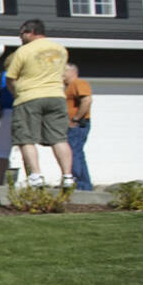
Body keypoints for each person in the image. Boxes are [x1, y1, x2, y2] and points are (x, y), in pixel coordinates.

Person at [3, 19, 74, 189]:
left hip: (29, 97)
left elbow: (10, 78)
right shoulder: (61, 50)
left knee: (26, 138)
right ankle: (67, 176)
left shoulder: (23, 51)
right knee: (59, 138)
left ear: (30, 32)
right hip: (56, 96)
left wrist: (16, 93)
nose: (20, 37)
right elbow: (65, 75)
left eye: (21, 34)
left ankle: (36, 176)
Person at [63, 63, 93, 191]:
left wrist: (76, 119)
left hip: (77, 125)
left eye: (64, 71)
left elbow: (87, 100)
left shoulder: (79, 83)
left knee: (73, 153)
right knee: (76, 153)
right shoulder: (67, 87)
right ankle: (83, 184)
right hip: (72, 125)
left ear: (72, 72)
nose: (61, 74)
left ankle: (79, 183)